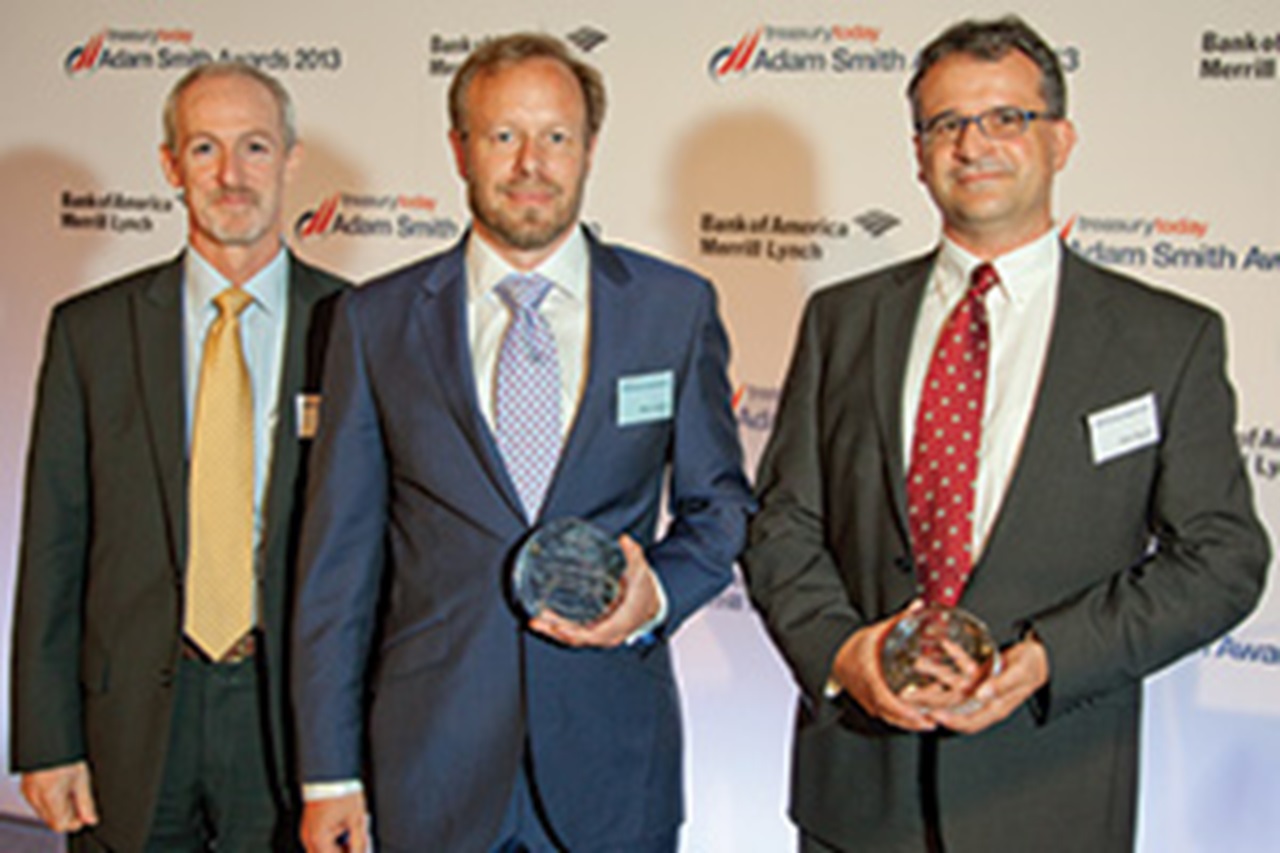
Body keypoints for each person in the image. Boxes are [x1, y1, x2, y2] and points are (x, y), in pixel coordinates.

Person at [742, 15, 1269, 853]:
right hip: (858, 797)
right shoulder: (842, 320)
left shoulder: (1165, 340)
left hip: (1050, 793)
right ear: (918, 154)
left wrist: (1048, 657)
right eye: (947, 123)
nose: (974, 144)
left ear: (1060, 140)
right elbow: (783, 524)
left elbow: (1223, 558)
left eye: (1006, 118)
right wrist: (842, 653)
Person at [291, 32, 751, 853]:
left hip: (614, 764)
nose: (531, 163)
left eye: (556, 136)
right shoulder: (373, 322)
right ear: (460, 149)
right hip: (431, 768)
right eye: (504, 135)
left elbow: (719, 507)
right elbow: (337, 566)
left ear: (590, 148)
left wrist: (654, 599)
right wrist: (329, 776)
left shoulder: (672, 309)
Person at [10, 61, 347, 851]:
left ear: (291, 160)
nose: (231, 175)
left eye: (255, 147)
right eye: (204, 148)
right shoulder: (91, 332)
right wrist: (46, 739)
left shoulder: (357, 326)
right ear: (170, 165)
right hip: (128, 725)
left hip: (291, 722)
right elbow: (53, 544)